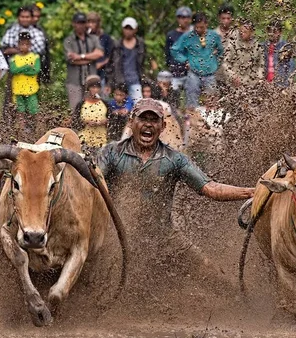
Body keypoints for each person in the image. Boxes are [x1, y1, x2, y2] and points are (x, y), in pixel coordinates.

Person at [96, 99, 253, 242]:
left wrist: (251, 192)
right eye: (143, 119)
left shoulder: (174, 159)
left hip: (164, 238)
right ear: (131, 122)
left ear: (163, 126)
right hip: (116, 237)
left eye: (154, 120)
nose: (148, 124)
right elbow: (93, 186)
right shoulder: (111, 153)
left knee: (211, 272)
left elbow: (211, 188)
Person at [171, 12, 224, 110]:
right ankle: (192, 123)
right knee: (191, 102)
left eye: (202, 27)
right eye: (197, 27)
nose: (199, 29)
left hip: (210, 73)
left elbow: (221, 50)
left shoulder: (214, 36)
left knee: (212, 103)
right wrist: (185, 60)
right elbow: (174, 49)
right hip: (194, 72)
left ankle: (211, 123)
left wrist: (216, 62)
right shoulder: (187, 36)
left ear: (206, 24)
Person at [63, 12, 104, 112]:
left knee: (93, 109)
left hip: (92, 81)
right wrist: (90, 58)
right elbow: (71, 60)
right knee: (75, 111)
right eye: (78, 23)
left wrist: (80, 56)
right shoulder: (69, 40)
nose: (80, 25)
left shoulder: (93, 38)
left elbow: (99, 53)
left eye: (83, 23)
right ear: (73, 23)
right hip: (74, 81)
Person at [107, 17, 155, 100]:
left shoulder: (140, 44)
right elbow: (111, 65)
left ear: (135, 29)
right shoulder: (117, 45)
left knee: (139, 106)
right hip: (119, 82)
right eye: (126, 28)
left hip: (135, 81)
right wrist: (109, 83)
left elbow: (145, 62)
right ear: (122, 29)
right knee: (119, 108)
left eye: (130, 28)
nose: (128, 31)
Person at [9, 32, 41, 132]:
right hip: (18, 89)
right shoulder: (14, 58)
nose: (24, 46)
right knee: (20, 111)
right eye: (22, 44)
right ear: (18, 45)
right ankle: (22, 130)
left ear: (30, 45)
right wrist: (27, 66)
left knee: (34, 110)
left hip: (31, 89)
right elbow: (13, 70)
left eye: (26, 44)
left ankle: (36, 130)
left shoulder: (35, 57)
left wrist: (20, 70)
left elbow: (35, 70)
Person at [220, 19, 264, 89]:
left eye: (245, 32)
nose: (242, 33)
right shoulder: (232, 45)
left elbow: (261, 65)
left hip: (252, 85)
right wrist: (232, 76)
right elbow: (225, 64)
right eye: (241, 31)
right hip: (235, 84)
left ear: (251, 32)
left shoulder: (257, 47)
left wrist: (259, 78)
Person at [73, 74, 110, 149]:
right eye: (93, 87)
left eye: (97, 87)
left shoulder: (105, 104)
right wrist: (86, 122)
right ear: (88, 88)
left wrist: (104, 121)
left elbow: (112, 119)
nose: (95, 90)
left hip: (101, 141)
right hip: (84, 141)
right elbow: (75, 120)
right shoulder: (81, 104)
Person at [165, 6, 192, 91]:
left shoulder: (193, 34)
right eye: (183, 17)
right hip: (176, 72)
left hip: (191, 72)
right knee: (174, 97)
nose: (185, 20)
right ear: (178, 18)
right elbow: (168, 53)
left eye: (187, 17)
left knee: (191, 99)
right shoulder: (171, 35)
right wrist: (171, 66)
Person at [262, 19, 295, 87]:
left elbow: (291, 67)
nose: (271, 34)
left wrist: (286, 84)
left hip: (280, 84)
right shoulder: (262, 46)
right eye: (269, 31)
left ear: (280, 32)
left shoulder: (286, 47)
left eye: (274, 31)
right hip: (264, 84)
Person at [87, 11, 113, 91]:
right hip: (87, 74)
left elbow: (109, 57)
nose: (90, 25)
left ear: (98, 23)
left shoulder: (105, 38)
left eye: (93, 22)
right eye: (89, 22)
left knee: (102, 100)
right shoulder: (85, 37)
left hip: (102, 75)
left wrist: (100, 64)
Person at [30, 4, 50, 84]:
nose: (36, 19)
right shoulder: (20, 29)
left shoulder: (40, 30)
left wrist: (46, 74)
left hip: (38, 66)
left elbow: (46, 53)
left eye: (38, 16)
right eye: (34, 16)